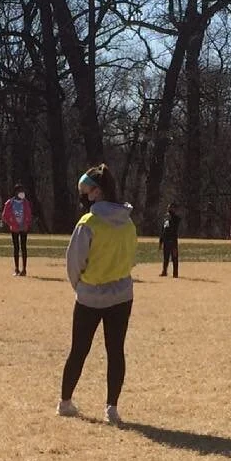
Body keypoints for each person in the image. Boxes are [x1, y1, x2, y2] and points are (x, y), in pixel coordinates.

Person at [58, 165, 137, 424]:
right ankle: (112, 408)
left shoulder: (88, 222)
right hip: (122, 295)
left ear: (97, 191)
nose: (84, 194)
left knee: (79, 349)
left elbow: (74, 262)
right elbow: (130, 257)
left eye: (87, 189)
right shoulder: (128, 223)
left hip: (90, 296)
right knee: (116, 351)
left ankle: (65, 402)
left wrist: (80, 286)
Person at [2, 184, 34, 277]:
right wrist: (11, 224)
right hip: (14, 228)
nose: (22, 193)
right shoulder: (10, 203)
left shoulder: (25, 202)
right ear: (16, 192)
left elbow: (29, 214)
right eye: (20, 191)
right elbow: (5, 216)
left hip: (24, 228)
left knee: (23, 247)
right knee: (16, 248)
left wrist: (26, 224)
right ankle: (16, 268)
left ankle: (24, 269)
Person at [159, 202, 181, 278]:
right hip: (166, 240)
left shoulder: (176, 218)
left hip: (173, 240)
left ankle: (175, 273)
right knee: (166, 257)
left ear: (174, 209)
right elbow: (163, 229)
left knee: (174, 257)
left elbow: (174, 227)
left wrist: (170, 217)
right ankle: (164, 271)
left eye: (170, 207)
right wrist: (161, 241)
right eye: (168, 207)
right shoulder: (166, 218)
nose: (168, 208)